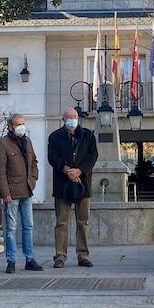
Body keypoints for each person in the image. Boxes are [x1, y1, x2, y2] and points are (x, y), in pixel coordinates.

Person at [47, 107, 98, 269]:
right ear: (63, 119)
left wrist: (80, 170)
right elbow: (52, 157)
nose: (72, 120)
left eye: (74, 117)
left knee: (83, 222)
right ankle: (60, 256)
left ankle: (83, 255)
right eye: (69, 117)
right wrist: (66, 170)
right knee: (61, 222)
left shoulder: (88, 135)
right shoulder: (55, 137)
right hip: (63, 184)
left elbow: (93, 156)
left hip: (83, 184)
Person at [0, 113, 43, 273]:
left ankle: (30, 259)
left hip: (27, 190)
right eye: (18, 124)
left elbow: (34, 161)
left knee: (28, 226)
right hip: (12, 192)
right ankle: (11, 260)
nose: (21, 127)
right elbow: (0, 171)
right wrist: (5, 192)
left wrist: (33, 179)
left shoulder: (27, 141)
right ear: (10, 127)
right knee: (11, 228)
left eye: (23, 123)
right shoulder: (3, 144)